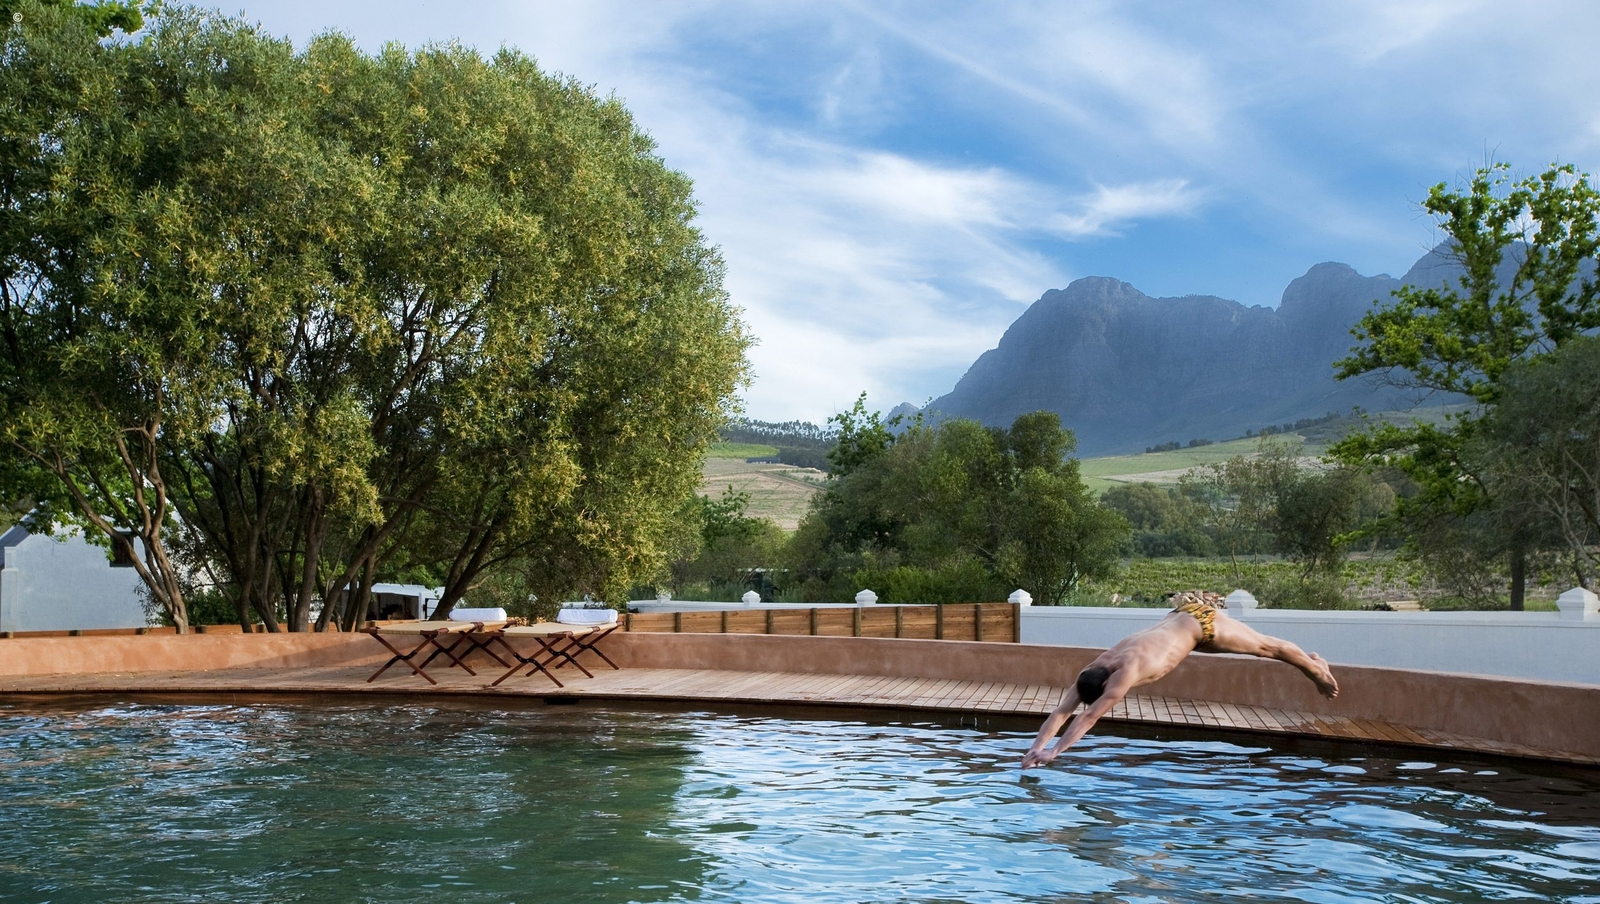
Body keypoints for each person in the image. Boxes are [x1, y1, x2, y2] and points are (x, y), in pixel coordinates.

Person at [1021, 593, 1340, 768]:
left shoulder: (1126, 671)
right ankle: (1313, 664)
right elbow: (1062, 712)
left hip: (1201, 626)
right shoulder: (1095, 667)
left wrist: (1055, 752)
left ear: (1106, 685)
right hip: (1181, 616)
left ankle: (1316, 671)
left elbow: (1089, 717)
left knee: (1266, 647)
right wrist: (1035, 749)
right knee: (1264, 645)